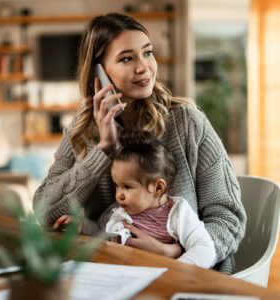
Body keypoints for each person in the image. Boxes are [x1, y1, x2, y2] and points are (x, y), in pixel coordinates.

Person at [33, 12, 246, 274]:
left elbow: (228, 218)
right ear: (98, 74)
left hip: (189, 276)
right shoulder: (81, 132)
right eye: (126, 58)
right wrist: (104, 150)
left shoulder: (187, 122)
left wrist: (175, 252)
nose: (144, 66)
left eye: (148, 52)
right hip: (109, 274)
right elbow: (46, 213)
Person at [105, 129, 216, 269]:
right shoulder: (123, 211)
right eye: (117, 186)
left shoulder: (178, 213)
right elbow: (99, 232)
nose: (119, 195)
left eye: (127, 186)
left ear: (158, 187)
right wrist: (81, 225)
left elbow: (205, 248)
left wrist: (173, 270)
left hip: (163, 280)